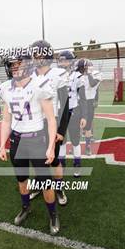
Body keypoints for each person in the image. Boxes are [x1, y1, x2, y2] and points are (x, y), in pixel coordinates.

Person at [0, 49, 60, 235]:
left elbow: (51, 119)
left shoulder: (39, 84)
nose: (14, 68)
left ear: (27, 65)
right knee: (22, 179)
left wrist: (50, 147)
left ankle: (53, 214)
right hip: (17, 141)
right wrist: (2, 144)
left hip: (37, 140)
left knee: (45, 182)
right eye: (12, 65)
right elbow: (6, 119)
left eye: (18, 64)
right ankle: (26, 207)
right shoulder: (5, 87)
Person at [30, 40, 70, 206]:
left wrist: (61, 130)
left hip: (52, 123)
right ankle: (41, 184)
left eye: (39, 54)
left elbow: (65, 104)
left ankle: (59, 187)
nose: (36, 58)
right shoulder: (30, 75)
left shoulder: (59, 74)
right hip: (35, 123)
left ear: (47, 55)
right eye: (34, 54)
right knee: (37, 158)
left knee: (53, 159)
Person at [57, 50, 87, 180]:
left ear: (70, 62)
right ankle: (61, 165)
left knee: (75, 140)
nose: (62, 63)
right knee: (61, 141)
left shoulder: (77, 76)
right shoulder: (55, 75)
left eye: (64, 60)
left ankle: (77, 165)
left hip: (73, 111)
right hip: (59, 111)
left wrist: (84, 115)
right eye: (61, 60)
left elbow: (83, 97)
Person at [78, 58, 101, 156]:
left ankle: (87, 147)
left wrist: (89, 74)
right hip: (80, 102)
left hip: (89, 102)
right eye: (84, 67)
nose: (85, 68)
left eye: (87, 67)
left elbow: (93, 84)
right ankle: (76, 146)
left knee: (88, 126)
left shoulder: (96, 74)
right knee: (78, 126)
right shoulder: (79, 75)